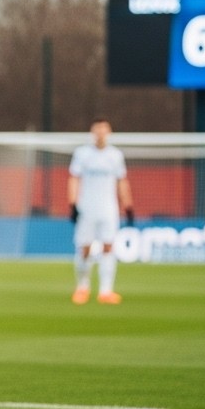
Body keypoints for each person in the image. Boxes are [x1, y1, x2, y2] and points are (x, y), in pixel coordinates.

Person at [67, 118, 133, 305]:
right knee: (85, 248)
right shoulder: (82, 154)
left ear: (109, 133)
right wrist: (72, 204)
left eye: (104, 130)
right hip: (87, 208)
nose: (100, 134)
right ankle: (82, 287)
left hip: (108, 208)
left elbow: (122, 180)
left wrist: (128, 205)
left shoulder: (115, 155)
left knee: (108, 247)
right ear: (92, 132)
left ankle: (106, 291)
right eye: (97, 130)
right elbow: (73, 178)